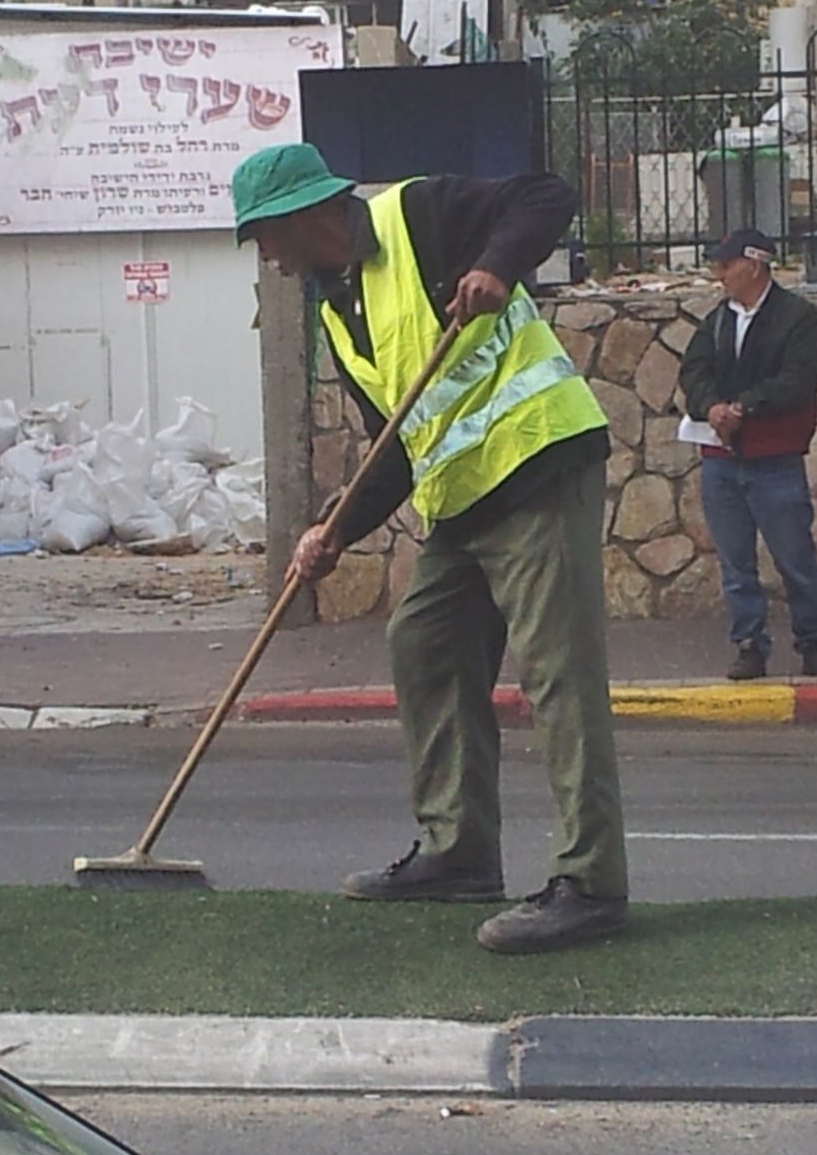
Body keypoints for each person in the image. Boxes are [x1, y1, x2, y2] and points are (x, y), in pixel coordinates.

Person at [232, 142, 628, 955]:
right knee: (425, 640)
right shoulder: (338, 313)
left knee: (558, 674)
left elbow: (545, 195)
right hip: (462, 500)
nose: (265, 257)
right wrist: (333, 532)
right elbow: (394, 450)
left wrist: (496, 266)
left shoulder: (416, 214)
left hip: (537, 461)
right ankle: (459, 852)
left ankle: (589, 883)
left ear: (304, 214)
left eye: (265, 236)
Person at [677, 229, 817, 682]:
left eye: (726, 265)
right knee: (736, 563)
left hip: (774, 459)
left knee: (795, 559)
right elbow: (693, 372)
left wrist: (743, 408)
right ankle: (749, 644)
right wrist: (711, 407)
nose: (719, 275)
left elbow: (795, 380)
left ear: (754, 265)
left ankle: (814, 644)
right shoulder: (717, 320)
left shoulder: (796, 318)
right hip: (722, 460)